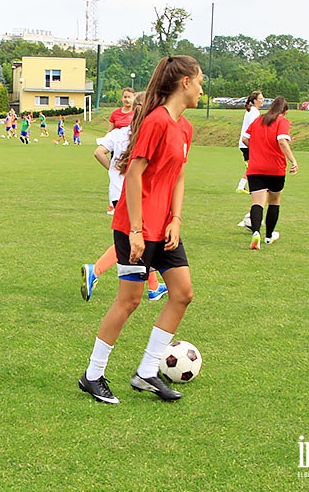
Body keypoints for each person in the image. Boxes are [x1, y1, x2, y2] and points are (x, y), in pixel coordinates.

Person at [78, 55, 202, 405]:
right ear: (185, 83)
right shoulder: (157, 122)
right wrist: (135, 230)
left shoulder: (185, 128)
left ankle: (146, 371)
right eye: (200, 82)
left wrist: (176, 219)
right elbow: (133, 174)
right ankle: (92, 375)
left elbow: (178, 176)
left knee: (182, 293)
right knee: (129, 300)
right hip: (136, 227)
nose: (202, 90)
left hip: (164, 228)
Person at [83, 92, 166, 301]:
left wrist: (111, 170)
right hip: (135, 195)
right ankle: (96, 270)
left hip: (117, 192)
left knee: (145, 239)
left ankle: (154, 287)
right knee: (135, 240)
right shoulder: (146, 135)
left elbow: (98, 152)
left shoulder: (119, 133)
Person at [241, 96, 299, 250]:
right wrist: (293, 160)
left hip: (255, 168)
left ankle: (255, 233)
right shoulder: (282, 121)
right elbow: (281, 140)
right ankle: (268, 236)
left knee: (257, 203)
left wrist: (258, 149)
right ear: (285, 111)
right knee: (274, 201)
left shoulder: (258, 120)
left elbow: (245, 139)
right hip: (275, 168)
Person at [236, 91, 264, 193]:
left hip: (246, 143)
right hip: (247, 143)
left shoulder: (252, 111)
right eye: (260, 99)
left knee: (252, 166)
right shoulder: (254, 112)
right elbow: (254, 127)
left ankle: (241, 187)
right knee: (253, 167)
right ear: (255, 101)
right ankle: (246, 187)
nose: (262, 101)